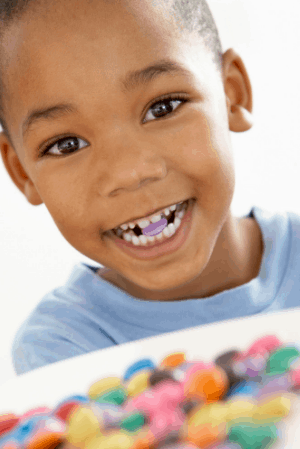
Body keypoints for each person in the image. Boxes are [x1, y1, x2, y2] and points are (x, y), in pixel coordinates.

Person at [0, 0, 298, 377]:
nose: (130, 173)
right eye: (66, 144)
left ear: (231, 93)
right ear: (21, 171)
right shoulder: (64, 348)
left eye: (163, 107)